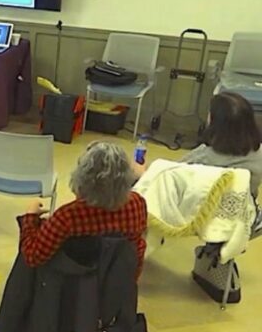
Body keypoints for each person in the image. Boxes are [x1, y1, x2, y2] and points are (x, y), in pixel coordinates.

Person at [21, 141, 148, 279]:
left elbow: (32, 257)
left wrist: (30, 217)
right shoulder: (137, 204)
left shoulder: (67, 217)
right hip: (118, 282)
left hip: (74, 284)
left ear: (82, 177)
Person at [135, 92, 262, 200]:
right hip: (242, 212)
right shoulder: (259, 154)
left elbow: (166, 181)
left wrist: (143, 173)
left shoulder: (203, 159)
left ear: (215, 123)